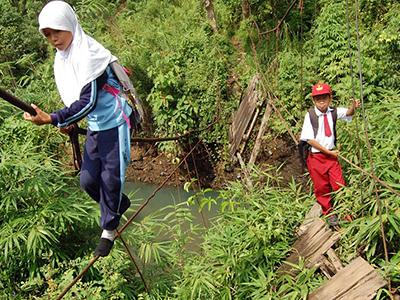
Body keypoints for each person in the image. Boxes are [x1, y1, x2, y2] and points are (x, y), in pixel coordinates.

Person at [23, 1, 134, 256]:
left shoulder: (88, 53)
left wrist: (53, 118)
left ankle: (109, 230)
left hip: (114, 121)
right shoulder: (63, 57)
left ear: (70, 25)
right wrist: (66, 120)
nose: (53, 39)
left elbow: (89, 100)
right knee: (87, 181)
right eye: (48, 34)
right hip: (95, 123)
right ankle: (118, 204)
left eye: (57, 32)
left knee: (110, 177)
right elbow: (74, 96)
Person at [300, 83, 360, 226]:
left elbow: (348, 114)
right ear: (314, 100)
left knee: (340, 185)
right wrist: (328, 152)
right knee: (322, 187)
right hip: (316, 157)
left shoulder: (333, 112)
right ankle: (329, 213)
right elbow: (310, 140)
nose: (321, 101)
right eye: (318, 98)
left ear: (330, 98)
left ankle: (346, 213)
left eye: (324, 97)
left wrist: (353, 107)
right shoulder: (310, 115)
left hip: (332, 158)